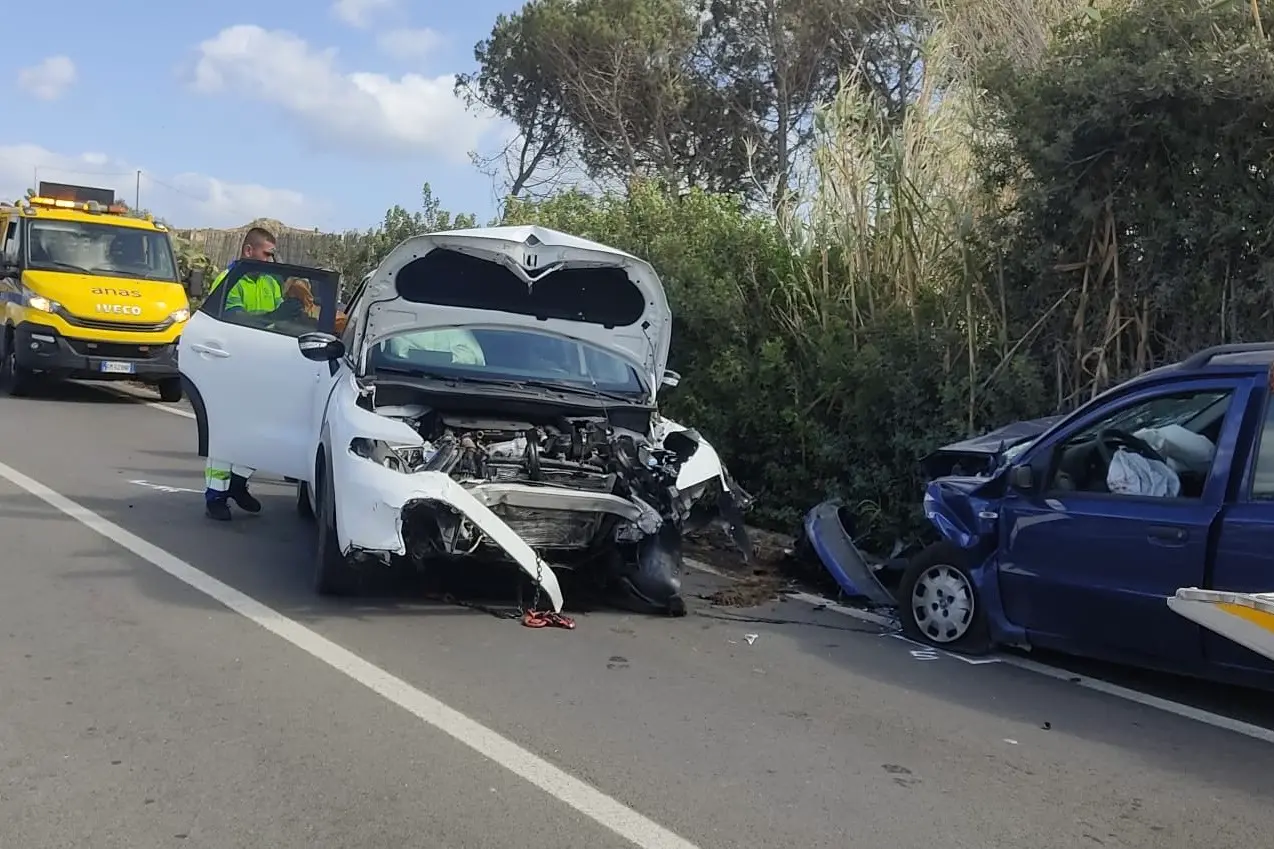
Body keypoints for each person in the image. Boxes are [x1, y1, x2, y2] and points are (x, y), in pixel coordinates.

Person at [202, 227, 282, 522]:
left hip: (266, 367)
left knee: (258, 433)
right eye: (267, 253)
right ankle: (216, 496)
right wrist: (274, 318)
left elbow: (280, 323)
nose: (271, 260)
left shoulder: (272, 283)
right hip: (232, 366)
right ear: (249, 251)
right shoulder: (230, 280)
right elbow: (234, 318)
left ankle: (238, 483)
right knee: (226, 436)